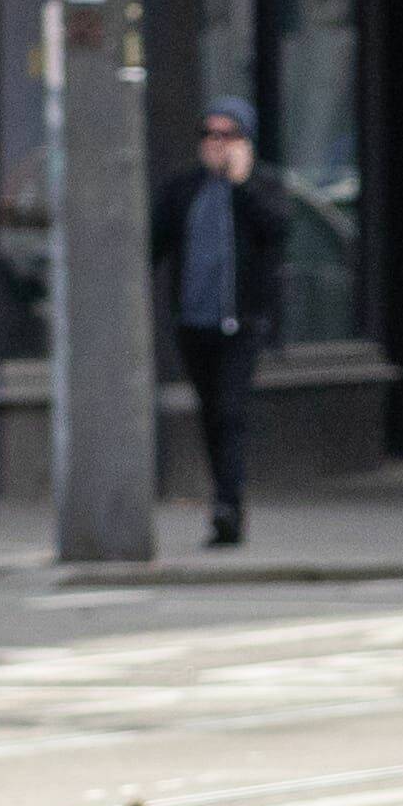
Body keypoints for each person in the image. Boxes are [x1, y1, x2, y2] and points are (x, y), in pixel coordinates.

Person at [154, 104, 295, 551]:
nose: (217, 142)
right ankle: (222, 498)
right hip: (193, 323)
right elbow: (153, 242)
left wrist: (241, 184)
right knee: (211, 415)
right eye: (210, 134)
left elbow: (277, 230)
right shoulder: (183, 189)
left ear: (246, 141)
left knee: (231, 414)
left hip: (242, 324)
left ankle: (229, 508)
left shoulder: (262, 188)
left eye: (228, 134)